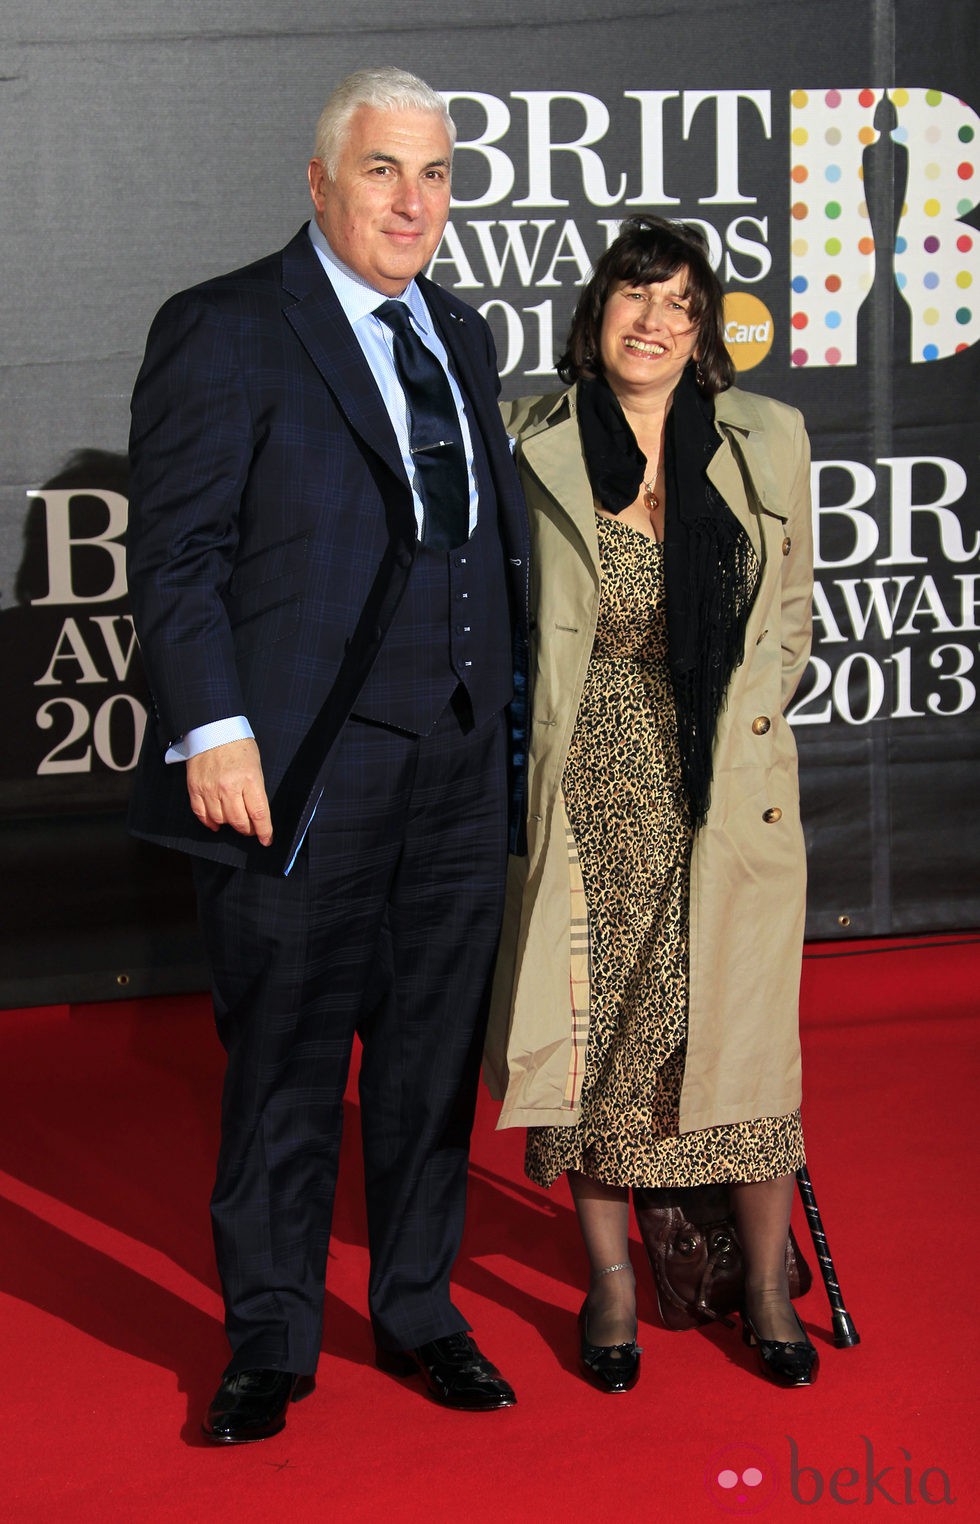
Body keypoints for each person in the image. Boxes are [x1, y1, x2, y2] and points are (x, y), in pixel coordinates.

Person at [127, 67, 529, 1443]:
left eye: (434, 175)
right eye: (381, 171)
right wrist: (216, 728)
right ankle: (270, 1337)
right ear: (319, 181)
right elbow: (175, 556)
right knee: (287, 1064)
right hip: (300, 767)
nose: (412, 201)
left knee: (427, 1064)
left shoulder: (464, 333)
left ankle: (419, 1308)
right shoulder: (228, 327)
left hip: (460, 766)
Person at [485, 215, 817, 1392]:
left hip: (727, 795)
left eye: (680, 301)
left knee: (742, 1049)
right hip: (589, 793)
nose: (655, 320)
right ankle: (611, 1285)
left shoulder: (764, 437)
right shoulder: (530, 438)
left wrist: (747, 720)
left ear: (702, 327)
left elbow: (789, 614)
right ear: (597, 312)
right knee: (595, 1053)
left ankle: (767, 1288)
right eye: (636, 295)